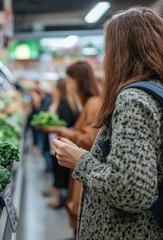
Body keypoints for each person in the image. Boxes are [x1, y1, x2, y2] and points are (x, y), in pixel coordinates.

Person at [53, 7, 163, 239]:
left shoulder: (134, 100)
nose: (106, 60)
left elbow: (132, 191)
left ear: (121, 52)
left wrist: (80, 160)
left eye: (109, 50)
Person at [43, 61, 101, 236]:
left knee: (79, 210)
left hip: (86, 167)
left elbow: (90, 139)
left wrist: (63, 132)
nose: (68, 86)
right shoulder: (89, 103)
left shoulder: (93, 104)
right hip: (82, 169)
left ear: (78, 80)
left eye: (69, 80)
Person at [43, 78, 79, 208]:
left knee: (60, 171)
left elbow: (63, 126)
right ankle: (58, 194)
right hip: (62, 143)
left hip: (61, 143)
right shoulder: (68, 104)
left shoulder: (64, 105)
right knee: (60, 171)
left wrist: (51, 127)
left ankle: (59, 199)